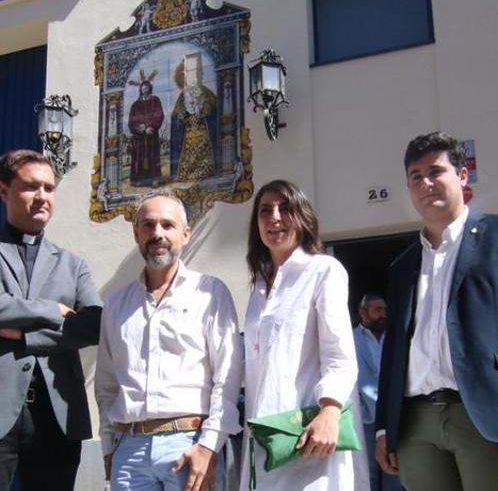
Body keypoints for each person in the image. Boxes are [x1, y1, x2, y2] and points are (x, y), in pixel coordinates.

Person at [375, 132, 498, 491]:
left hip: (491, 416)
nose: (425, 184)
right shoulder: (403, 266)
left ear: (462, 177)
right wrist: (387, 426)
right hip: (417, 425)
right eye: (415, 177)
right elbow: (394, 352)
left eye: (435, 172)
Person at [0, 149, 103, 491]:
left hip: (57, 416)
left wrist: (22, 335)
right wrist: (52, 310)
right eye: (31, 187)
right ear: (4, 191)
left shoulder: (72, 264)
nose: (42, 197)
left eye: (49, 188)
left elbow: (93, 325)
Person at [96, 192, 243, 491]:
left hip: (190, 444)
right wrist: (109, 446)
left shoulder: (210, 293)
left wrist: (209, 446)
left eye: (167, 225)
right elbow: (107, 384)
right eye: (148, 225)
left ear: (186, 234)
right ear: (136, 232)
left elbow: (227, 377)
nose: (157, 234)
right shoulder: (115, 304)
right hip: (130, 450)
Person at [241, 179, 369, 490]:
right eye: (265, 211)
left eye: (285, 209)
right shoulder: (258, 289)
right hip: (266, 438)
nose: (274, 217)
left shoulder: (323, 270)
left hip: (312, 435)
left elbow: (340, 354)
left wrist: (330, 410)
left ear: (303, 218)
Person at [353, 294, 403, 491]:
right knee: (368, 474)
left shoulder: (394, 339)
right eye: (377, 310)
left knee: (394, 470)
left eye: (385, 310)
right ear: (363, 313)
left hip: (392, 416)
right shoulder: (350, 338)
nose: (383, 315)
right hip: (366, 417)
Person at [169, 53, 220, 181]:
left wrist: (203, 108)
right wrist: (180, 116)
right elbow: (177, 115)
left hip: (204, 133)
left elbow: (213, 110)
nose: (191, 76)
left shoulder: (206, 93)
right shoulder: (183, 96)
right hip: (188, 135)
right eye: (188, 73)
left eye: (194, 73)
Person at [128, 72, 165, 184]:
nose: (144, 89)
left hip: (151, 135)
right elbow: (131, 121)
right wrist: (141, 128)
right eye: (142, 87)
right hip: (139, 137)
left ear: (150, 88)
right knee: (139, 157)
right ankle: (139, 179)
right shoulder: (135, 105)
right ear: (140, 89)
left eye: (146, 87)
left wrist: (150, 126)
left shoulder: (155, 100)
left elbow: (159, 114)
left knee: (153, 157)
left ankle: (154, 179)